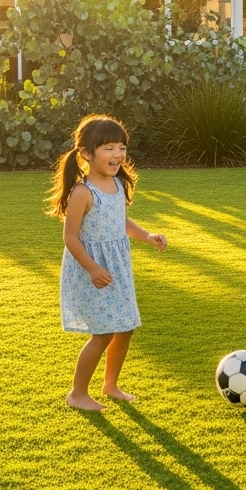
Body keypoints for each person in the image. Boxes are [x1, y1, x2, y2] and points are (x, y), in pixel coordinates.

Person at [47, 113, 167, 411]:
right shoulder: (82, 192)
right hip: (93, 272)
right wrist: (92, 267)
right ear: (87, 154)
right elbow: (70, 237)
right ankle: (77, 393)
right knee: (102, 333)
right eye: (109, 148)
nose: (118, 154)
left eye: (121, 147)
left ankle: (111, 385)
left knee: (124, 327)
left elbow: (121, 222)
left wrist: (148, 235)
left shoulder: (117, 186)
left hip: (117, 269)